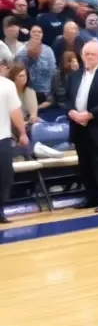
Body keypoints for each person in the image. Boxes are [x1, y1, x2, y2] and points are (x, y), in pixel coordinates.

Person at [64, 40, 98, 212]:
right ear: (81, 56)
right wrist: (72, 112)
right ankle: (91, 197)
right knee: (85, 163)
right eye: (86, 54)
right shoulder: (73, 76)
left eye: (92, 54)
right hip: (78, 126)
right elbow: (65, 98)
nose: (89, 57)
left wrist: (90, 114)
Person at [0, 62, 31, 223]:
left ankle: (0, 210)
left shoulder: (7, 85)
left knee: (5, 177)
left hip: (3, 137)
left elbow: (15, 111)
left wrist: (22, 133)